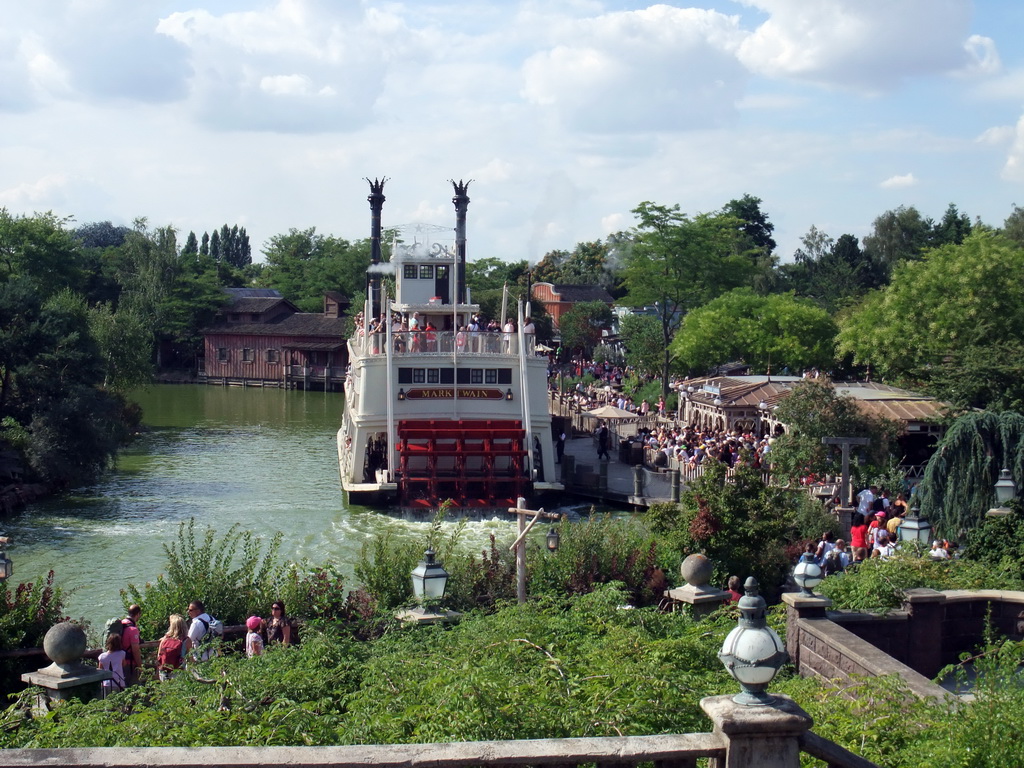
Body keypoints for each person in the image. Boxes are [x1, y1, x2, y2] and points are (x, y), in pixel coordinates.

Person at [157, 614, 187, 681]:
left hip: (164, 672)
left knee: (166, 690)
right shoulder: (186, 640)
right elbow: (191, 659)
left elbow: (159, 656)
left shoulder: (165, 639)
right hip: (178, 672)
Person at [120, 604, 142, 686]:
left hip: (119, 661)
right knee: (134, 687)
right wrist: (140, 667)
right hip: (129, 664)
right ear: (138, 614)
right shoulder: (133, 629)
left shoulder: (122, 623)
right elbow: (135, 650)